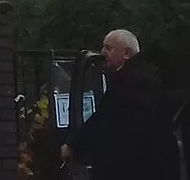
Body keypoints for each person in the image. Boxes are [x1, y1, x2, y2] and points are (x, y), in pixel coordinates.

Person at [60, 29, 178, 180]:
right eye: (103, 47)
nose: (102, 52)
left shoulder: (134, 82)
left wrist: (75, 145)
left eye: (109, 48)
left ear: (126, 54)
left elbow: (105, 121)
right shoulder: (131, 77)